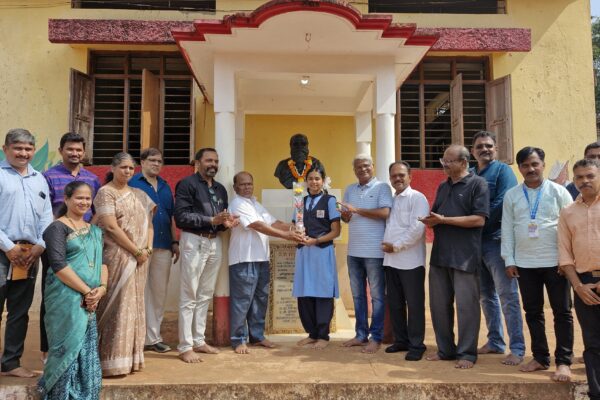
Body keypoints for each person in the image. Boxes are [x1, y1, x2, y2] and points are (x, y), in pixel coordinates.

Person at [501, 146, 574, 382]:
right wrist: (509, 260)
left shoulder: (559, 192)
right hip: (524, 263)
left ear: (543, 164)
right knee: (532, 312)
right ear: (520, 168)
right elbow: (507, 228)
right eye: (525, 165)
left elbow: (570, 227)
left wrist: (567, 260)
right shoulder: (512, 195)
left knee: (562, 312)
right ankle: (540, 357)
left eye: (535, 164)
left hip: (556, 263)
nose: (530, 169)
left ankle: (563, 361)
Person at [421, 145, 489, 369]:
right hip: (440, 255)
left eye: (449, 161)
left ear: (464, 162)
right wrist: (431, 220)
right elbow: (438, 214)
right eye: (444, 161)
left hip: (465, 257)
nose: (445, 165)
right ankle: (445, 350)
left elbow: (479, 219)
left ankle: (467, 353)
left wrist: (444, 220)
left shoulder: (478, 184)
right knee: (439, 307)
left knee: (466, 307)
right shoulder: (443, 186)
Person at [38, 181, 107, 399]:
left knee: (85, 351)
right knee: (65, 347)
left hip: (90, 299)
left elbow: (103, 263)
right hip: (65, 299)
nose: (84, 202)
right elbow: (58, 265)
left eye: (87, 198)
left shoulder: (95, 231)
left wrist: (102, 288)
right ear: (67, 199)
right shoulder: (56, 228)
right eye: (79, 197)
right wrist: (87, 291)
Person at [40, 132, 101, 362]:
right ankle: (49, 350)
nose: (75, 153)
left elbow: (95, 211)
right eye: (70, 149)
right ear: (61, 150)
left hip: (84, 243)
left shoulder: (92, 179)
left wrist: (89, 236)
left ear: (84, 152)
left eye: (79, 150)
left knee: (84, 292)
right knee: (53, 297)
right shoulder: (48, 176)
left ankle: (80, 351)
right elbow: (44, 211)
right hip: (57, 240)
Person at [94, 152, 156, 377]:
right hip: (118, 257)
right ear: (112, 168)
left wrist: (147, 249)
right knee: (118, 306)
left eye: (131, 168)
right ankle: (110, 361)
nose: (128, 171)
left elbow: (150, 225)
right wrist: (136, 251)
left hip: (140, 260)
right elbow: (110, 227)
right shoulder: (105, 193)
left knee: (135, 306)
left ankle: (130, 359)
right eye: (123, 167)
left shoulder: (139, 194)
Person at [228, 171, 304, 354]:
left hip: (261, 258)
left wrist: (296, 227)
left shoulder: (255, 203)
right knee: (242, 301)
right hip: (244, 259)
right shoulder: (237, 203)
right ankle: (238, 339)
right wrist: (286, 235)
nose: (247, 187)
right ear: (235, 187)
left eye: (249, 183)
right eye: (242, 184)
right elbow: (257, 225)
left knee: (260, 299)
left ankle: (257, 336)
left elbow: (273, 222)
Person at [174, 148, 238, 363]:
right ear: (198, 163)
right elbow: (181, 217)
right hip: (194, 240)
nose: (213, 164)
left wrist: (227, 223)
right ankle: (185, 346)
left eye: (216, 161)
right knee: (189, 295)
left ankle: (199, 341)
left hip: (214, 242)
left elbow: (220, 221)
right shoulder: (187, 184)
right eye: (209, 160)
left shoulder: (220, 189)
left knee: (205, 294)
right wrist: (211, 220)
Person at [0, 128, 53, 378]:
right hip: (2, 252)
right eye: (18, 148)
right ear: (5, 149)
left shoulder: (39, 179)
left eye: (28, 149)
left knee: (20, 311)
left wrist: (41, 244)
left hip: (30, 254)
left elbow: (47, 215)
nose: (24, 153)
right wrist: (9, 247)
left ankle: (11, 363)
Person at [470, 131, 525, 366]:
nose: (485, 149)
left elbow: (503, 202)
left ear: (496, 148)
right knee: (486, 296)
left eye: (489, 145)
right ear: (472, 151)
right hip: (475, 244)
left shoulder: (503, 171)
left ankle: (517, 348)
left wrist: (477, 220)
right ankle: (495, 341)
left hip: (497, 241)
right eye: (480, 146)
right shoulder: (470, 174)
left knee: (508, 296)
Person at [338, 154, 392, 354]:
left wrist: (357, 209)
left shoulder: (382, 187)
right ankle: (360, 335)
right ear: (354, 170)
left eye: (366, 165)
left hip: (375, 252)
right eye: (359, 167)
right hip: (354, 251)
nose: (363, 169)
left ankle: (376, 337)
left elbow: (385, 213)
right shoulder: (350, 189)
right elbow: (347, 218)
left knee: (377, 297)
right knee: (358, 296)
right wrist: (345, 215)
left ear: (373, 166)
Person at [128, 148, 180, 354]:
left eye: (159, 161)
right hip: (139, 246)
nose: (156, 164)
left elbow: (170, 216)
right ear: (142, 162)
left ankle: (153, 338)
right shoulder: (132, 183)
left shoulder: (166, 187)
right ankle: (135, 338)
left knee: (158, 293)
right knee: (137, 292)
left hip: (164, 245)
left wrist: (174, 241)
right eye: (152, 160)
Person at [558, 158, 600, 399]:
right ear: (574, 181)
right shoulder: (568, 212)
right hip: (583, 283)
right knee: (593, 343)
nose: (585, 181)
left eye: (590, 176)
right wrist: (578, 286)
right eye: (580, 177)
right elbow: (565, 254)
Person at [381, 161, 429, 361]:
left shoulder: (417, 198)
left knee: (415, 305)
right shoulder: (392, 200)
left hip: (411, 262)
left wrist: (397, 246)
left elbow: (417, 228)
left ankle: (417, 345)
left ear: (410, 176)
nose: (397, 179)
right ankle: (401, 340)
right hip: (391, 261)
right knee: (395, 304)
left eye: (401, 175)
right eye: (393, 176)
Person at [293, 167, 341, 350]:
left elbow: (336, 231)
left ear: (323, 181)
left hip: (321, 251)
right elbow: (295, 225)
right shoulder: (300, 201)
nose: (314, 182)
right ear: (306, 182)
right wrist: (297, 233)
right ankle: (312, 333)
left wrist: (317, 240)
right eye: (311, 179)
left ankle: (323, 335)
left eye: (317, 179)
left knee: (322, 292)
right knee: (305, 292)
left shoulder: (330, 201)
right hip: (304, 251)